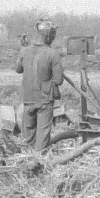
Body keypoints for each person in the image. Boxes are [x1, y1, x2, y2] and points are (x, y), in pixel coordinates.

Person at [13, 19, 64, 151]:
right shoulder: (53, 54)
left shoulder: (24, 51)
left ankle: (26, 157)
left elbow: (18, 69)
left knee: (27, 136)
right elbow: (59, 80)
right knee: (42, 136)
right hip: (44, 100)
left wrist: (24, 49)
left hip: (28, 99)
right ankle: (39, 159)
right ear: (48, 36)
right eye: (53, 35)